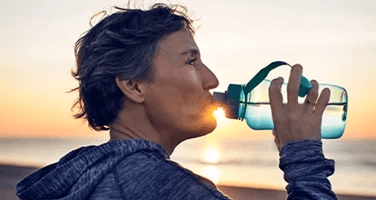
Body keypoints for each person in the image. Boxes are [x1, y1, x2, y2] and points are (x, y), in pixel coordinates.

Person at [16, 3, 337, 200]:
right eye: (191, 61)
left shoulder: (88, 176)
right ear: (133, 85)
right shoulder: (168, 189)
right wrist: (303, 158)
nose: (211, 79)